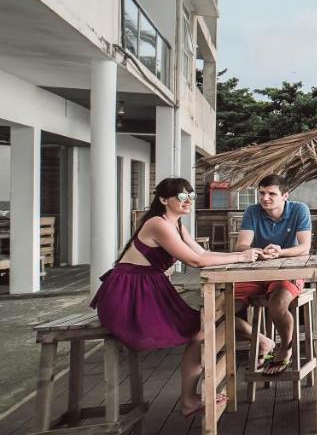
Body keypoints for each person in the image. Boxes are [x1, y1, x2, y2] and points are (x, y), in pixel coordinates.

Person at [91, 177, 262, 418]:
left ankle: (259, 343)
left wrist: (245, 254)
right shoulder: (158, 224)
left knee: (202, 327)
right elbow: (195, 261)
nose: (188, 201)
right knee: (199, 330)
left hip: (149, 286)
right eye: (182, 197)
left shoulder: (177, 225)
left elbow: (202, 252)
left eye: (191, 197)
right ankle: (190, 399)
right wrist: (241, 258)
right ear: (163, 200)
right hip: (128, 293)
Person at [234, 174, 312, 374]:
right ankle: (263, 342)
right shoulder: (252, 211)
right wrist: (261, 252)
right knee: (222, 310)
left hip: (288, 271)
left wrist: (280, 251)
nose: (265, 198)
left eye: (271, 194)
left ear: (285, 195)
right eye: (261, 193)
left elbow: (305, 247)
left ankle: (285, 349)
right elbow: (241, 245)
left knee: (277, 305)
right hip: (256, 271)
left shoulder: (299, 209)